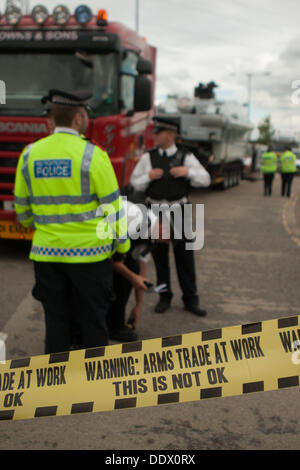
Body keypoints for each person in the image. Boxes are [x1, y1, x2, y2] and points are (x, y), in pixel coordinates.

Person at [14, 89, 130, 354]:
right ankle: (94, 382)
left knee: (56, 321)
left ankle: (56, 382)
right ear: (78, 118)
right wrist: (121, 248)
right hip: (90, 257)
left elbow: (22, 208)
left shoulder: (30, 154)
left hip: (47, 254)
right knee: (93, 321)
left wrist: (38, 226)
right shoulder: (93, 155)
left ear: (53, 118)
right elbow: (114, 209)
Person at [130, 116, 211, 316]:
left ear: (170, 134)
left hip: (179, 209)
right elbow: (134, 182)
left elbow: (206, 180)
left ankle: (191, 300)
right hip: (155, 211)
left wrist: (188, 172)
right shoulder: (148, 157)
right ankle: (164, 297)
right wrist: (147, 177)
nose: (154, 136)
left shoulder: (186, 157)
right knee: (159, 258)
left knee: (185, 257)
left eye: (158, 133)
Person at [107, 200, 155, 342]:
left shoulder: (151, 233)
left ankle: (114, 322)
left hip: (114, 241)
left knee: (132, 268)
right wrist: (133, 278)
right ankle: (112, 326)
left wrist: (137, 307)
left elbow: (141, 273)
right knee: (122, 275)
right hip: (96, 239)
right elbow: (113, 261)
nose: (163, 242)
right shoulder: (136, 220)